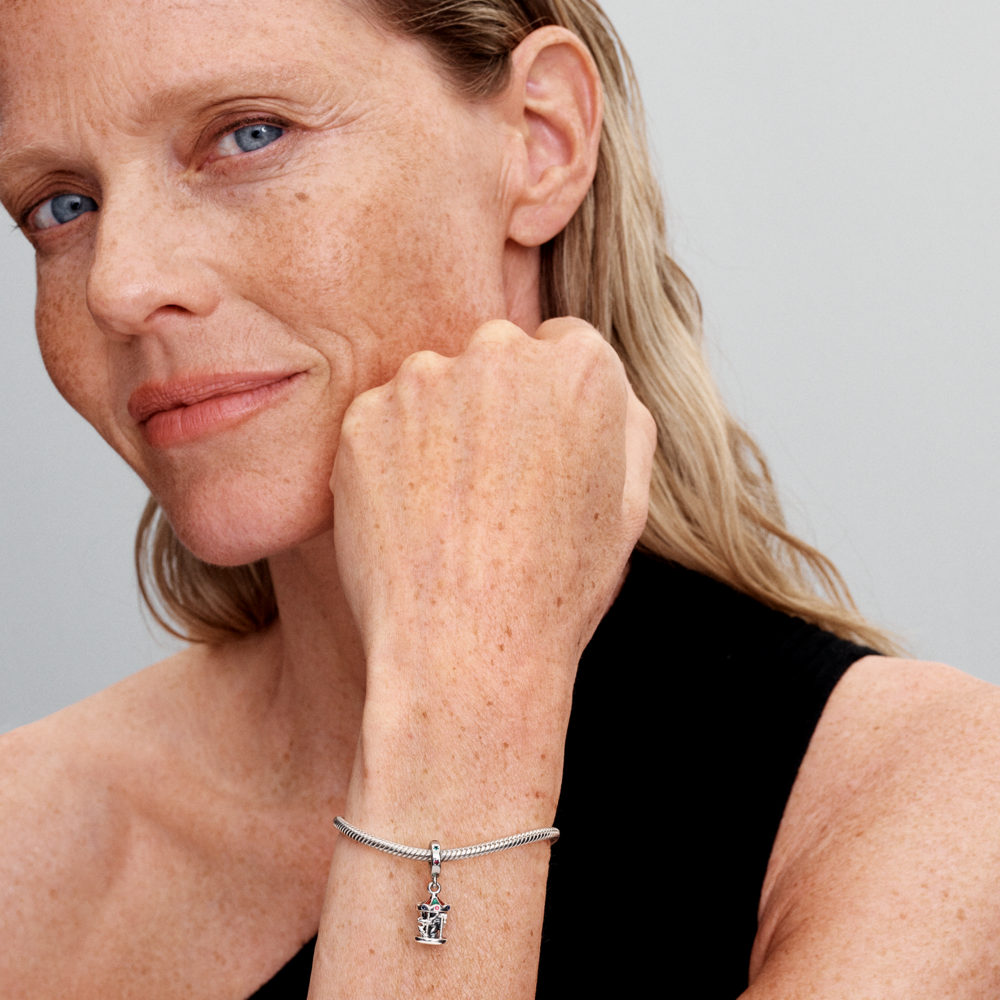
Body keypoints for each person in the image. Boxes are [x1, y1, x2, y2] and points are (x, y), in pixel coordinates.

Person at [1, 1, 999, 997]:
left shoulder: (926, 805)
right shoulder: (23, 845)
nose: (119, 286)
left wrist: (463, 704)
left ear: (540, 140)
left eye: (248, 135)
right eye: (60, 205)